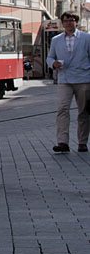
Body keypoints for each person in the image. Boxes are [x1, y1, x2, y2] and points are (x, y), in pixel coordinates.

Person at [46, 11, 90, 153]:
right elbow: (50, 57)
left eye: (71, 20)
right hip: (64, 79)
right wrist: (54, 63)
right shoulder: (56, 40)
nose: (69, 23)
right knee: (62, 109)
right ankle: (62, 142)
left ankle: (82, 142)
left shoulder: (86, 38)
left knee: (83, 111)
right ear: (62, 23)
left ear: (76, 22)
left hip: (83, 79)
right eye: (66, 21)